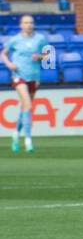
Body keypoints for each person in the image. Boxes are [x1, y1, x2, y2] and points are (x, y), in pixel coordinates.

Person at [1, 15, 49, 153]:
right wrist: (10, 64)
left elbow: (48, 56)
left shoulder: (40, 39)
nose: (29, 25)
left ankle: (15, 134)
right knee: (27, 105)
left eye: (31, 22)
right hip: (19, 76)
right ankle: (28, 141)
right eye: (26, 22)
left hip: (34, 76)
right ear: (21, 25)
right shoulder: (15, 40)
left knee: (25, 109)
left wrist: (39, 57)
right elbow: (3, 54)